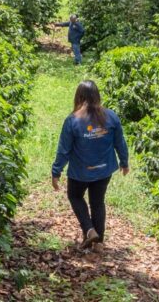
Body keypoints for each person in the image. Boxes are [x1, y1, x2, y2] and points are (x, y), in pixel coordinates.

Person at [51, 80, 129, 253]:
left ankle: (89, 230)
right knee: (97, 202)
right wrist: (124, 162)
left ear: (78, 97)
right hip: (104, 170)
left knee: (75, 196)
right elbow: (120, 143)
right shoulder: (111, 116)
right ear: (97, 96)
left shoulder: (72, 120)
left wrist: (56, 171)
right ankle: (98, 243)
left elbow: (64, 149)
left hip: (80, 172)